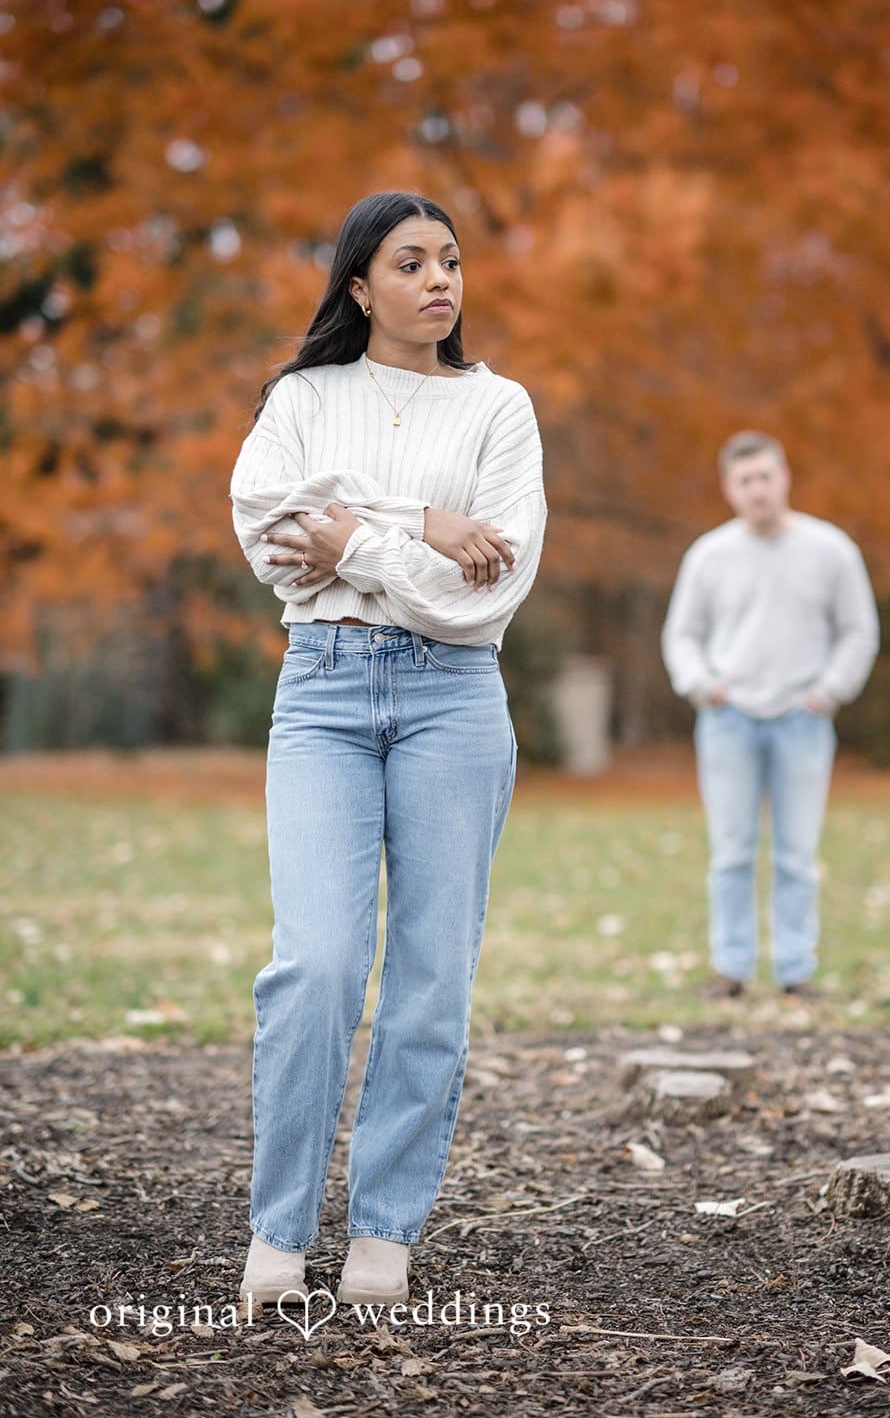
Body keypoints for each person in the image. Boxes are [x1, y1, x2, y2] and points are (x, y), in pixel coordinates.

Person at [228, 190, 548, 1308]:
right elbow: (269, 530)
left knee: (427, 982)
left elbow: (485, 595)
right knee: (314, 965)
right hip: (319, 693)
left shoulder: (500, 408)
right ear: (358, 287)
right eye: (409, 262)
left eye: (449, 260)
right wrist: (420, 527)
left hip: (454, 704)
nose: (438, 280)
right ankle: (279, 1226)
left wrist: (354, 536)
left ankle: (383, 1228)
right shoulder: (303, 398)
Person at [661, 431, 879, 1000]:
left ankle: (795, 970)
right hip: (729, 719)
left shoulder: (831, 550)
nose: (758, 489)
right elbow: (682, 635)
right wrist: (703, 686)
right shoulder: (709, 555)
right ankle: (731, 968)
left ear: (784, 477)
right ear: (729, 489)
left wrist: (829, 691)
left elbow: (858, 631)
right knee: (731, 852)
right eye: (745, 480)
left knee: (797, 855)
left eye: (766, 476)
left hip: (802, 719)